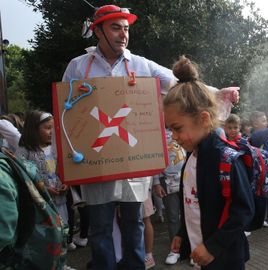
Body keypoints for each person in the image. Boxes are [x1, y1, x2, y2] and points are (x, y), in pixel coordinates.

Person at [61, 5, 239, 269]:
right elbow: (66, 112)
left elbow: (179, 84)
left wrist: (217, 92)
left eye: (126, 28)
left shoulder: (141, 64)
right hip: (95, 163)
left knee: (134, 223)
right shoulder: (78, 67)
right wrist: (63, 163)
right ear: (97, 30)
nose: (123, 34)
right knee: (100, 227)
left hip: (133, 163)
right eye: (115, 27)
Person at [165, 56, 254, 269]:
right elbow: (193, 204)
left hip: (226, 258)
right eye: (170, 130)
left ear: (204, 119)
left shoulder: (226, 158)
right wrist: (182, 234)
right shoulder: (192, 156)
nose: (174, 136)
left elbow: (243, 211)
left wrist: (213, 247)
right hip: (204, 255)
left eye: (177, 128)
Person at [15, 110, 76, 270]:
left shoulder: (57, 148)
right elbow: (22, 176)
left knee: (61, 232)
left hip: (60, 202)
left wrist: (66, 182)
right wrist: (44, 188)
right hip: (39, 205)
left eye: (52, 128)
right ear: (34, 128)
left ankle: (62, 264)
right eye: (47, 128)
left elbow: (64, 169)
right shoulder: (24, 150)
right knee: (44, 236)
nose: (51, 132)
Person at [152, 128, 185, 266]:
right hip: (167, 182)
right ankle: (175, 250)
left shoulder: (182, 126)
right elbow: (153, 158)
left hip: (186, 180)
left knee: (190, 215)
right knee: (172, 217)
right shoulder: (155, 132)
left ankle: (191, 247)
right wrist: (156, 182)